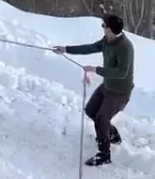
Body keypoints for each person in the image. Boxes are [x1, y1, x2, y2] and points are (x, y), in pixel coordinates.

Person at [52, 14, 134, 167]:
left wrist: (97, 70)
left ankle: (104, 154)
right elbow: (90, 48)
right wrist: (66, 49)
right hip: (107, 86)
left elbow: (121, 72)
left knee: (101, 118)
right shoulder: (106, 41)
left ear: (109, 30)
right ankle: (113, 135)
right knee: (91, 111)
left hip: (120, 92)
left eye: (103, 26)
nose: (102, 28)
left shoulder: (125, 47)